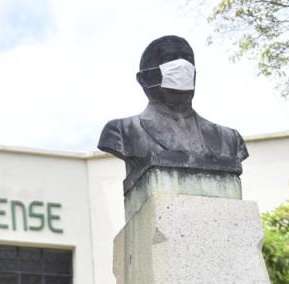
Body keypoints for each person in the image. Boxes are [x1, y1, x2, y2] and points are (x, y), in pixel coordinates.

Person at [98, 35, 249, 192]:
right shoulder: (122, 132)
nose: (182, 66)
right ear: (143, 79)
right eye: (168, 58)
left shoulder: (230, 139)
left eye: (187, 59)